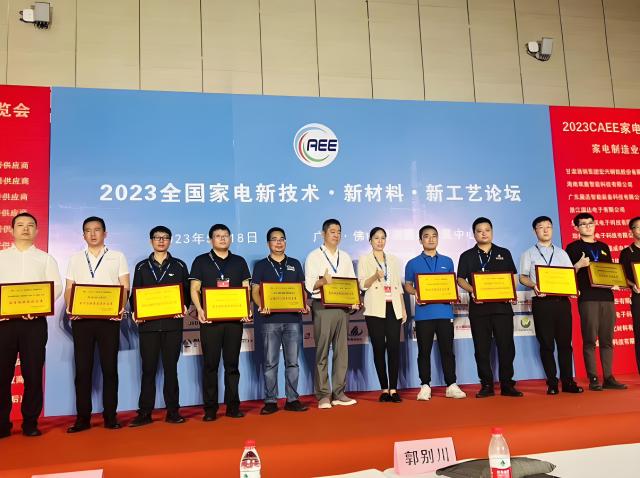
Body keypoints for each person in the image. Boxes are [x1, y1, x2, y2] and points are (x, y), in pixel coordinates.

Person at [0, 213, 62, 438]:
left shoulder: (45, 259)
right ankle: (2, 424)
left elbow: (56, 287)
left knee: (33, 374)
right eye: (20, 225)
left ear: (37, 231)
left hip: (34, 323)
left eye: (30, 225)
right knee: (1, 375)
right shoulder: (1, 257)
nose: (25, 229)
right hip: (4, 324)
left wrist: (37, 307)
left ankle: (30, 422)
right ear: (11, 230)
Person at [65, 216, 130, 433]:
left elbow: (125, 287)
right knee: (83, 370)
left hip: (109, 321)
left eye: (97, 230)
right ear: (83, 235)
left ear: (105, 233)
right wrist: (71, 307)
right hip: (82, 321)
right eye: (88, 230)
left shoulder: (117, 256)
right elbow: (69, 287)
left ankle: (110, 416)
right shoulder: (75, 258)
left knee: (110, 369)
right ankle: (82, 418)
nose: (93, 234)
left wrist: (119, 307)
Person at [128, 226, 191, 427]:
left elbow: (187, 293)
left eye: (165, 238)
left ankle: (173, 411)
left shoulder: (179, 265)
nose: (161, 241)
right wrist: (136, 311)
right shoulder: (141, 267)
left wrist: (184, 306)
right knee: (148, 370)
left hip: (173, 325)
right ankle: (144, 413)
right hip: (148, 326)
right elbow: (135, 294)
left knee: (171, 370)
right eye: (157, 237)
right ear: (151, 241)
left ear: (170, 241)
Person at [190, 224, 251, 420]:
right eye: (218, 236)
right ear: (211, 240)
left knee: (232, 365)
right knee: (210, 366)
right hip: (210, 322)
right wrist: (200, 309)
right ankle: (210, 409)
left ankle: (233, 406)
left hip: (234, 321)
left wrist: (246, 308)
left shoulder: (239, 261)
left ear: (230, 238)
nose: (222, 239)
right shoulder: (201, 261)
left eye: (225, 235)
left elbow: (246, 287)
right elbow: (194, 288)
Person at [457, 217, 522, 398]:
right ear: (474, 234)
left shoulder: (504, 252)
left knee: (506, 347)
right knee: (481, 349)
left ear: (492, 232)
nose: (484, 233)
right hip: (479, 310)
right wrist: (473, 291)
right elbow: (460, 279)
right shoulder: (467, 255)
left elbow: (513, 277)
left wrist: (510, 291)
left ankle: (507, 384)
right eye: (479, 231)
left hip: (502, 309)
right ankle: (486, 385)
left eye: (487, 230)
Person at [518, 216, 583, 395]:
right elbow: (522, 277)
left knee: (565, 344)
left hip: (562, 303)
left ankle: (568, 382)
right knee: (546, 344)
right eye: (541, 227)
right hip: (542, 303)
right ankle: (552, 383)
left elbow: (569, 275)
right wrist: (534, 285)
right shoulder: (528, 253)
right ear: (535, 231)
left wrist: (573, 289)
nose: (546, 230)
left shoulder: (562, 253)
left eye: (549, 226)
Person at [251, 227, 309, 415]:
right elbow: (255, 291)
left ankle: (292, 399)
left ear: (285, 242)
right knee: (270, 363)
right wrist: (261, 305)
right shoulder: (261, 265)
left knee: (292, 362)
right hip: (270, 321)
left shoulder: (294, 263)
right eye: (274, 239)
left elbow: (302, 289)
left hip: (293, 320)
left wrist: (303, 304)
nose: (278, 242)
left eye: (281, 239)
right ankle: (270, 401)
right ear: (268, 243)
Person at [404, 225, 466, 401]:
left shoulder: (448, 261)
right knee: (424, 352)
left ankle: (451, 385)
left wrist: (453, 294)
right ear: (420, 240)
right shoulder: (412, 263)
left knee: (447, 351)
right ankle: (425, 385)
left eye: (434, 236)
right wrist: (416, 292)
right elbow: (408, 285)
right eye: (426, 236)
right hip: (424, 314)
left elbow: (450, 284)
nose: (431, 239)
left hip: (445, 313)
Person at [566, 212, 627, 391]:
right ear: (577, 228)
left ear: (594, 225)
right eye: (583, 224)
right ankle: (593, 378)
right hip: (588, 297)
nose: (587, 226)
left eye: (590, 223)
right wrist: (578, 265)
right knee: (590, 339)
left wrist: (615, 282)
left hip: (607, 297)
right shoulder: (573, 247)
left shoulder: (603, 246)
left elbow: (609, 270)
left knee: (607, 340)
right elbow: (566, 274)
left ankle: (608, 377)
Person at [305, 219, 359, 409]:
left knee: (341, 351)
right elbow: (309, 285)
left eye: (338, 232)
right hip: (322, 306)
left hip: (342, 308)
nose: (336, 235)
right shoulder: (314, 256)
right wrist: (322, 282)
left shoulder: (345, 256)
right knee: (322, 351)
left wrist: (354, 300)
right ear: (323, 234)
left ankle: (339, 392)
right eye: (332, 232)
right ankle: (323, 395)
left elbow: (351, 282)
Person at [358, 227, 407, 403]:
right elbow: (362, 285)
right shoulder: (364, 259)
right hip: (374, 309)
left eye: (383, 238)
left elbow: (398, 286)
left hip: (393, 307)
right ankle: (384, 389)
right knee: (379, 348)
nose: (380, 241)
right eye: (376, 238)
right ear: (370, 241)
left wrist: (403, 309)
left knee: (394, 347)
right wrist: (374, 276)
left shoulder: (393, 260)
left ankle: (394, 389)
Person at [619, 216, 640, 374]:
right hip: (638, 297)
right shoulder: (627, 253)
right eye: (637, 227)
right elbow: (622, 277)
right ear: (631, 231)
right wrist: (633, 285)